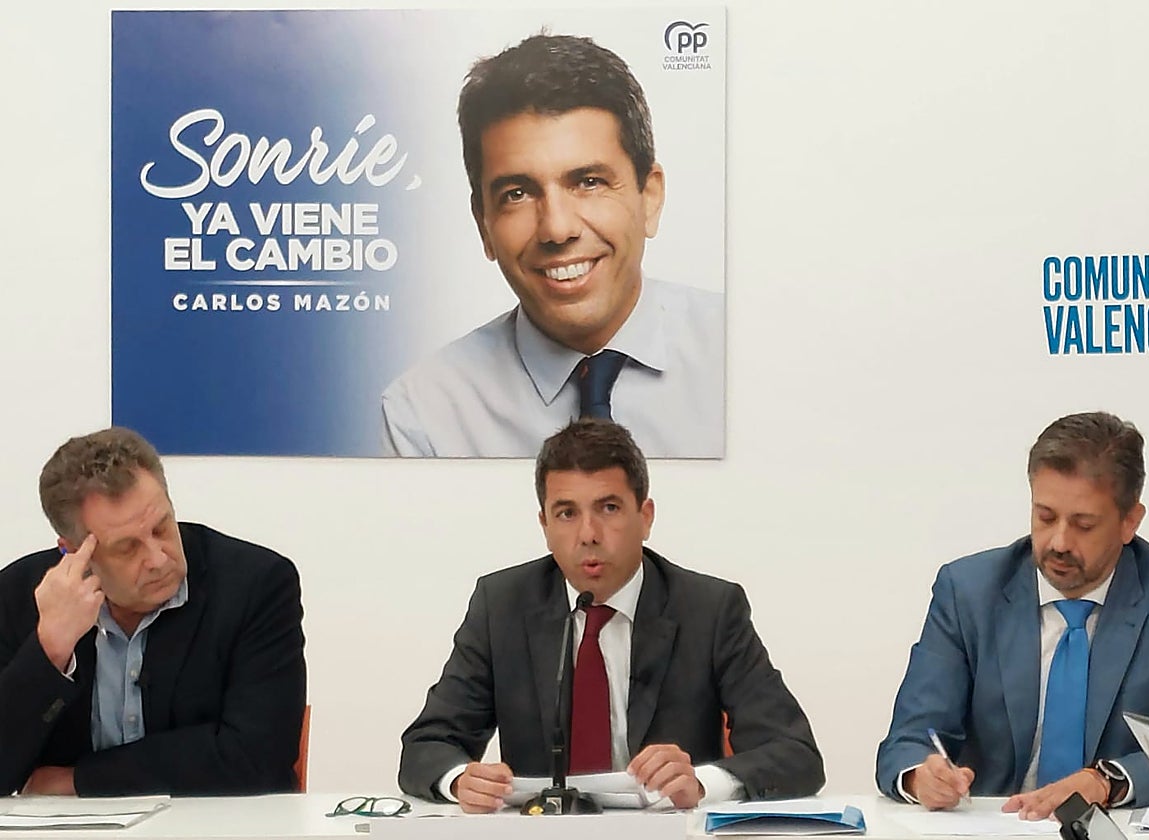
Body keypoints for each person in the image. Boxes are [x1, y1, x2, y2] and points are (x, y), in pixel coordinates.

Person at [398, 418, 821, 811]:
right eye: (567, 513)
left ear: (646, 516)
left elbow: (795, 754)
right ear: (544, 524)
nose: (588, 535)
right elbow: (428, 744)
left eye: (609, 508)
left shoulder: (709, 610)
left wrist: (702, 782)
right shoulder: (502, 605)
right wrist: (458, 781)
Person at [380, 33, 724, 459]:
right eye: (517, 193)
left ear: (649, 197)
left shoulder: (744, 355)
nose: (557, 229)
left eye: (589, 182)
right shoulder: (424, 416)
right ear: (483, 224)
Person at [876, 411, 1149, 819]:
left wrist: (1105, 782)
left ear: (1129, 522)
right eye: (1045, 517)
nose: (1059, 542)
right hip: (995, 827)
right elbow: (907, 740)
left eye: (1083, 525)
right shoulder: (968, 591)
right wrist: (920, 775)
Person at [0, 427, 306, 796]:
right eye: (128, 548)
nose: (158, 559)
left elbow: (258, 755)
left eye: (162, 528)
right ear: (72, 552)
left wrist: (79, 780)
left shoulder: (255, 585)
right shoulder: (18, 598)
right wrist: (50, 649)